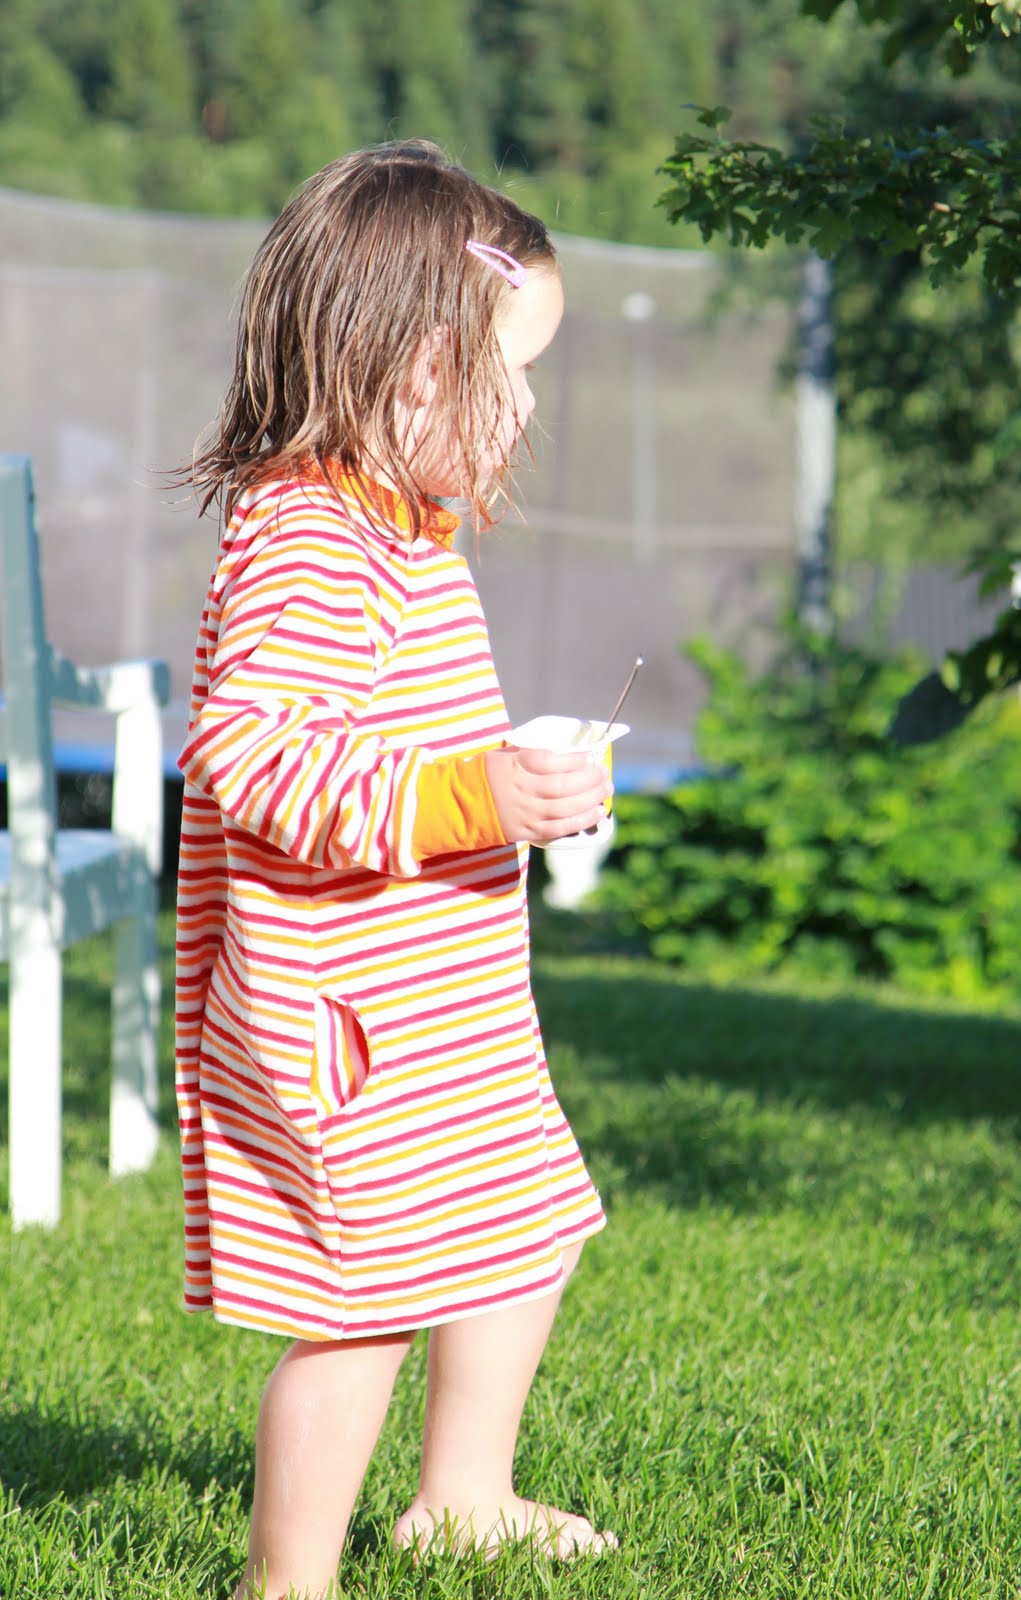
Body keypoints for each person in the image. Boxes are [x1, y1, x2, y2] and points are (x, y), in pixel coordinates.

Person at [174, 139, 616, 1600]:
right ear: (423, 369)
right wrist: (467, 792)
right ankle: (286, 1580)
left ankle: (462, 1499)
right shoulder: (314, 538)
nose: (530, 408)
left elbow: (396, 743)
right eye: (516, 373)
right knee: (360, 1304)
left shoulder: (397, 529)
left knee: (528, 1225)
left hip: (435, 995)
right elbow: (250, 755)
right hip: (347, 1012)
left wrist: (512, 788)